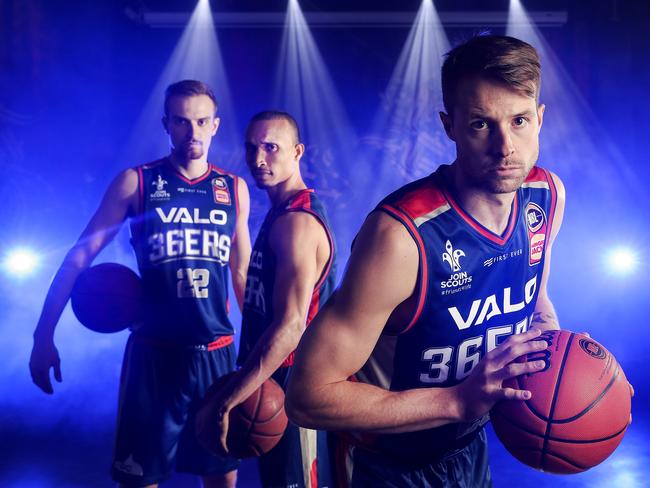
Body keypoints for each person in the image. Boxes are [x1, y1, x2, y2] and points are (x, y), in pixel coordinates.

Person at [285, 35, 566, 487]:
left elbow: (536, 303)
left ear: (540, 118)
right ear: (449, 125)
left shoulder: (546, 197)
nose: (504, 146)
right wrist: (456, 401)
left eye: (519, 120)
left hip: (468, 450)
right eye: (480, 124)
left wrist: (572, 362)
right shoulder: (400, 237)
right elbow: (306, 395)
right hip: (384, 464)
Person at [29, 79, 251, 488]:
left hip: (217, 356)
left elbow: (241, 275)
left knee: (222, 481)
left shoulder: (233, 189)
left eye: (202, 121)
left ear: (216, 125)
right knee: (139, 481)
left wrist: (259, 351)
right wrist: (43, 334)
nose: (193, 132)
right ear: (166, 124)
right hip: (154, 357)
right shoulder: (137, 182)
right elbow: (79, 256)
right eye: (182, 122)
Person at [195, 111, 337, 488]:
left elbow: (292, 326)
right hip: (271, 380)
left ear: (297, 151)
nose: (259, 159)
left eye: (271, 148)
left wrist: (229, 399)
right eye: (252, 148)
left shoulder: (298, 223)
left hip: (295, 386)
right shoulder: (280, 213)